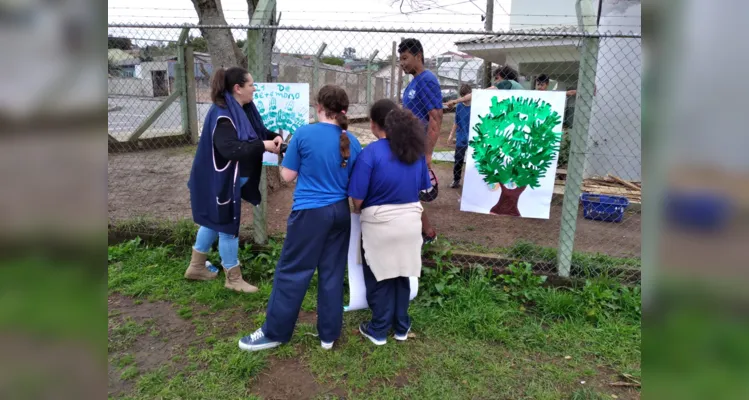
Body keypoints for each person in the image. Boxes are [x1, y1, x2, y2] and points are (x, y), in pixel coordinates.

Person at [238, 85, 363, 352]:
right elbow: (354, 180)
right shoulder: (351, 141)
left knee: (293, 271)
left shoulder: (304, 134)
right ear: (343, 110)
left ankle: (275, 332)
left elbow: (286, 176)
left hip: (310, 214)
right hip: (340, 213)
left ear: (319, 107)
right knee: (331, 273)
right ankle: (328, 336)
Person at [185, 66, 282, 293]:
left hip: (231, 178)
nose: (254, 89)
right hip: (224, 179)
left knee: (213, 220)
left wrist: (271, 136)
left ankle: (196, 266)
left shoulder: (240, 109)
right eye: (251, 85)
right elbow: (231, 149)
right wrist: (262, 145)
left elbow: (254, 132)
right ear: (238, 88)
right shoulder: (223, 116)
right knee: (228, 223)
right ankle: (233, 277)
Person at [348, 100, 431, 346]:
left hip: (379, 225)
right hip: (409, 223)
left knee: (379, 276)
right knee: (402, 273)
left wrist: (359, 210)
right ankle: (401, 327)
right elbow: (422, 189)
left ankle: (378, 329)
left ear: (374, 124)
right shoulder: (414, 152)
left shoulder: (370, 153)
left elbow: (358, 198)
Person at [398, 38, 440, 242]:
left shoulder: (427, 80)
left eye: (405, 58)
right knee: (409, 191)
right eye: (400, 59)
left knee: (410, 191)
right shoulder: (414, 82)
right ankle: (426, 232)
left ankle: (427, 232)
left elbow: (435, 117)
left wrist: (428, 153)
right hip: (409, 146)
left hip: (418, 148)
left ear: (418, 56)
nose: (402, 63)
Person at [445, 65, 523, 107]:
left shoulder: (506, 83)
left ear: (504, 76)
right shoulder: (515, 86)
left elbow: (480, 93)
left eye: (496, 78)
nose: (495, 81)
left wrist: (456, 101)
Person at [447, 84, 472, 189]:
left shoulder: (476, 105)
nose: (464, 99)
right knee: (458, 159)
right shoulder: (460, 107)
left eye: (466, 96)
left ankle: (472, 182)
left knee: (473, 162)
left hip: (473, 137)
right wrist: (451, 135)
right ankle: (456, 180)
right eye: (463, 96)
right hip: (461, 137)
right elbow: (456, 122)